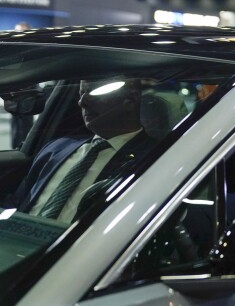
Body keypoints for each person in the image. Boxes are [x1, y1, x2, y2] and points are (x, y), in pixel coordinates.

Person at [4, 78, 156, 223]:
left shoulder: (155, 159)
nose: (82, 101)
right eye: (81, 93)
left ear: (130, 100)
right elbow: (18, 203)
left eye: (95, 92)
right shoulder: (56, 149)